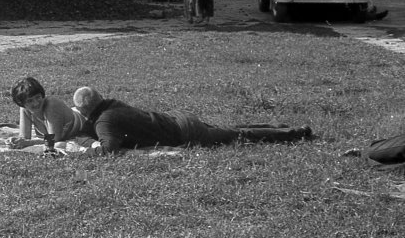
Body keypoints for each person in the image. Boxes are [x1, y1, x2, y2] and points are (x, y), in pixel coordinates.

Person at [68, 85, 312, 155]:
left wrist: (91, 147)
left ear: (84, 111)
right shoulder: (113, 105)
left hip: (185, 132)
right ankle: (276, 126)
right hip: (178, 118)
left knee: (238, 136)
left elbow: (109, 148)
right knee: (230, 129)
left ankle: (293, 133)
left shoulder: (104, 122)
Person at [6, 76, 91, 154]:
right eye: (30, 101)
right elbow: (25, 138)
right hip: (72, 118)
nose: (36, 103)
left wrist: (29, 143)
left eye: (38, 97)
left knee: (58, 145)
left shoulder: (51, 105)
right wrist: (16, 141)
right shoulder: (25, 109)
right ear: (22, 103)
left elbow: (53, 140)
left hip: (86, 122)